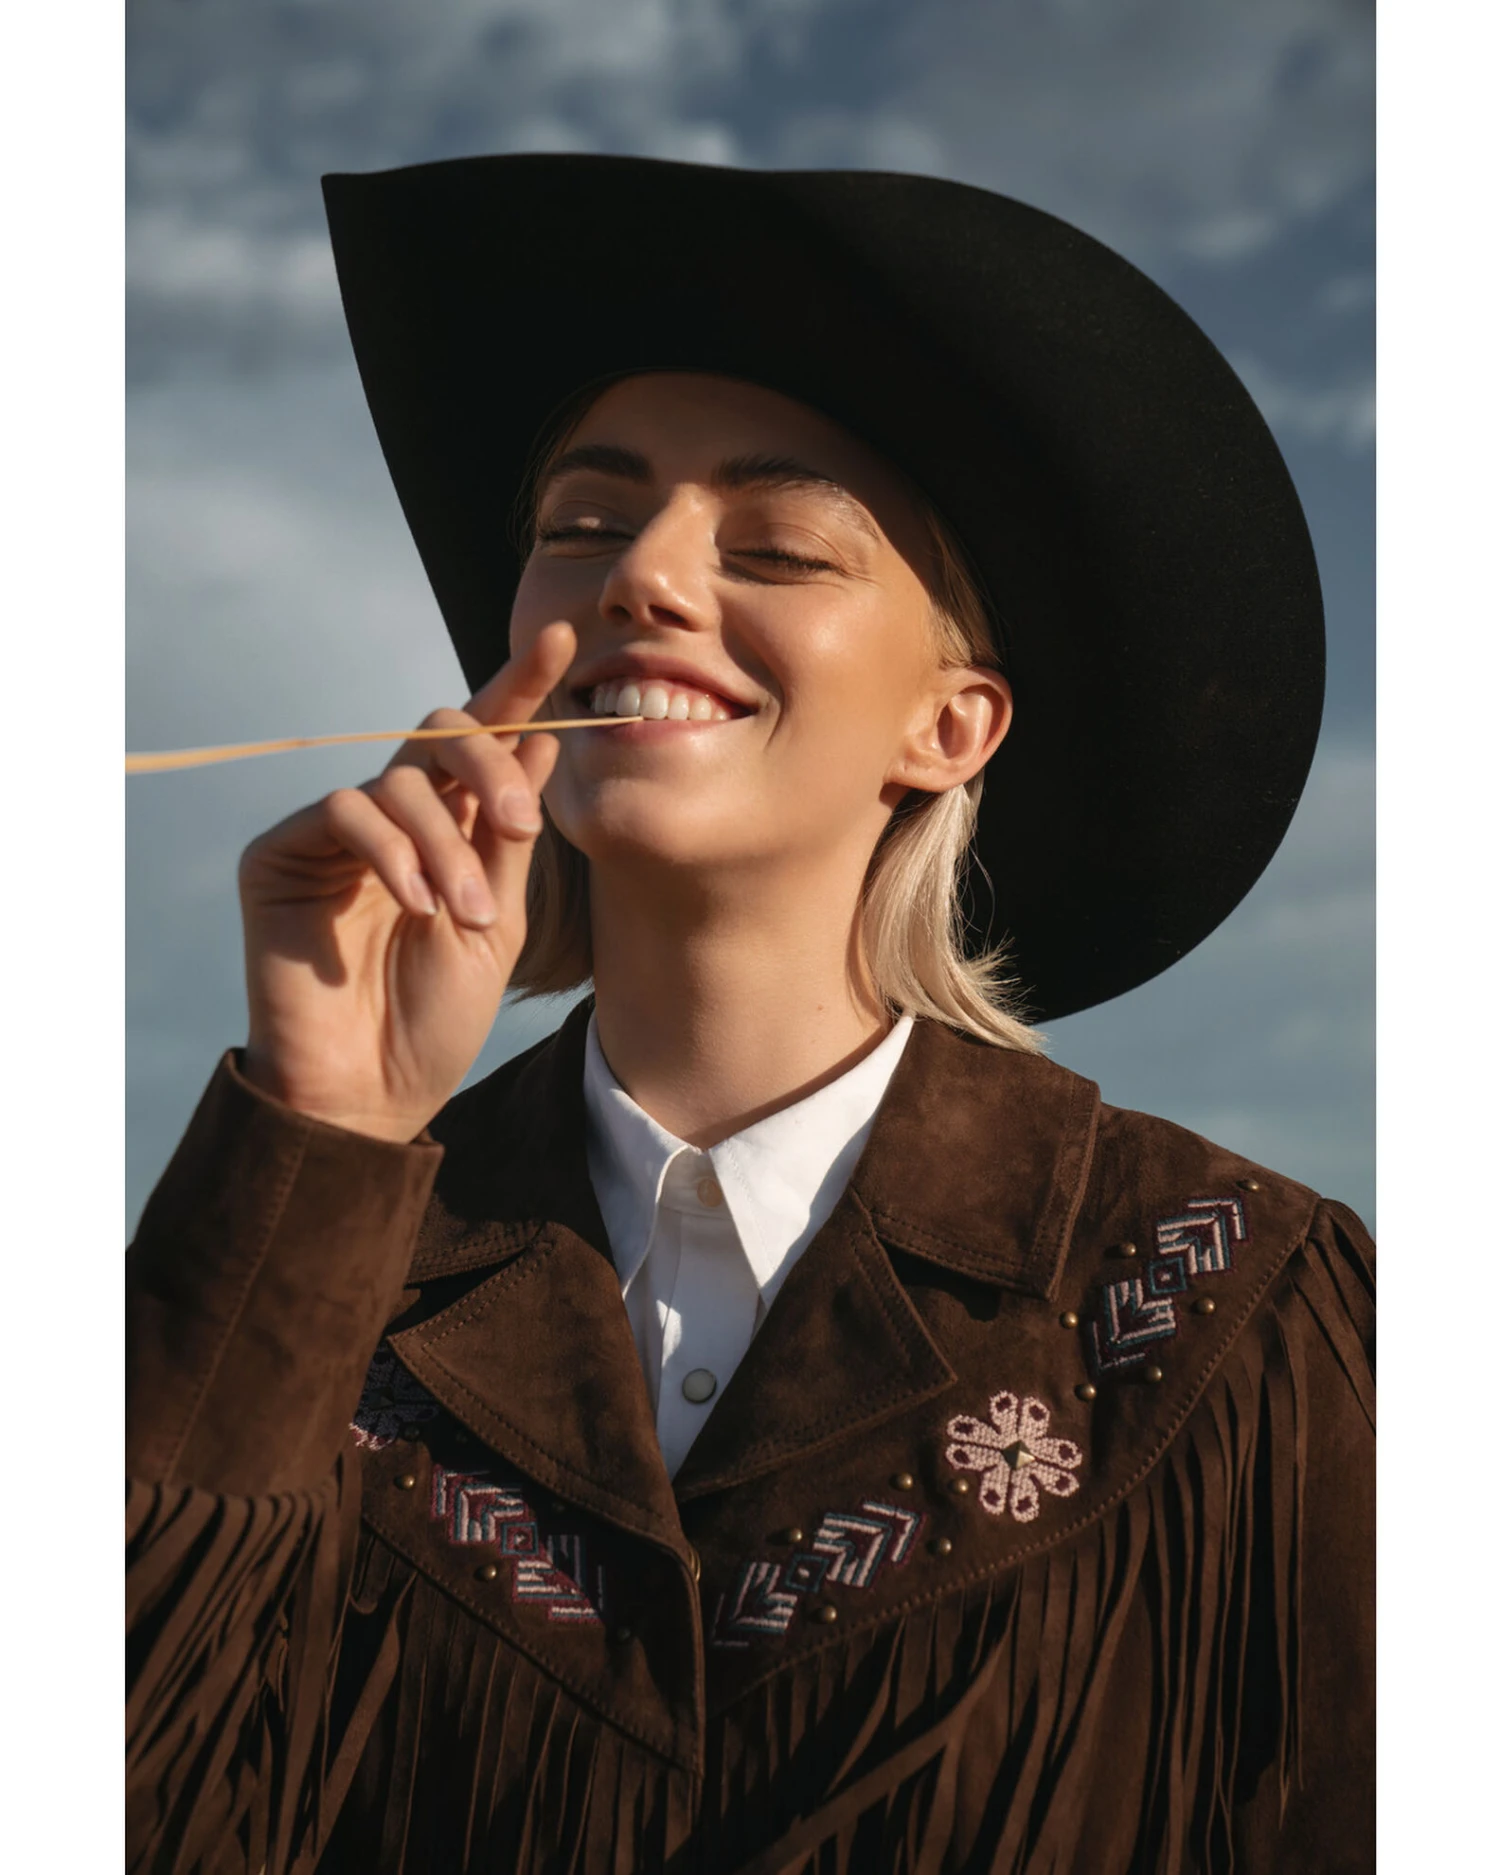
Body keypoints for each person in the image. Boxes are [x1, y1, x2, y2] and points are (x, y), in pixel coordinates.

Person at [125, 156, 1373, 1875]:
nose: (639, 575)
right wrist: (318, 1131)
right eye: (581, 526)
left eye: (778, 544)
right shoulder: (314, 1268)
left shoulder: (1250, 1316)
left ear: (949, 727)